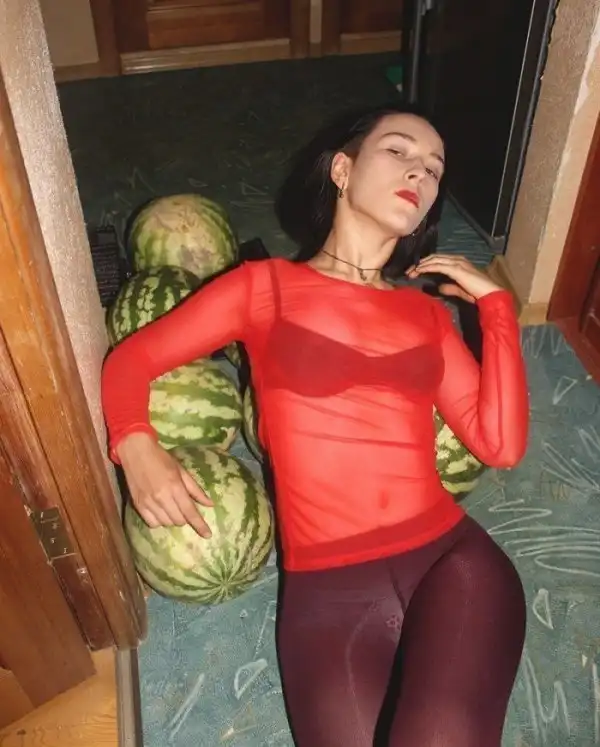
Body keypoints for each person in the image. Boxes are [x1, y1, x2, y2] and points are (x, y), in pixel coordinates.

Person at [101, 103, 529, 747]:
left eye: (435, 169)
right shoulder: (264, 287)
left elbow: (501, 443)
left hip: (451, 562)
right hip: (325, 594)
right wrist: (136, 445)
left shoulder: (426, 319)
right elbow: (131, 361)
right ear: (341, 170)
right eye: (399, 151)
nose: (420, 173)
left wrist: (496, 310)